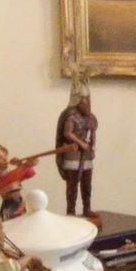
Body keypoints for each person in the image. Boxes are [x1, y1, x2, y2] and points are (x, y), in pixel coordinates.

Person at [55, 76, 98, 218]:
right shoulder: (71, 117)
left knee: (87, 184)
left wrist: (92, 147)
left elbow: (93, 133)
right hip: (73, 155)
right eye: (85, 103)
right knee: (72, 185)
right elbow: (67, 133)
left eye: (89, 102)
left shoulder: (91, 118)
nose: (88, 105)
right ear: (78, 103)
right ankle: (71, 211)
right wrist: (81, 143)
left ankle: (87, 208)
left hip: (86, 155)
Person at [0, 145, 38, 219]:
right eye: (0, 158)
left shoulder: (10, 174)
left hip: (19, 203)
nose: (5, 159)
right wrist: (25, 165)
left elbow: (30, 174)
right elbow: (10, 178)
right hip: (10, 205)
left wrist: (21, 164)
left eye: (5, 156)